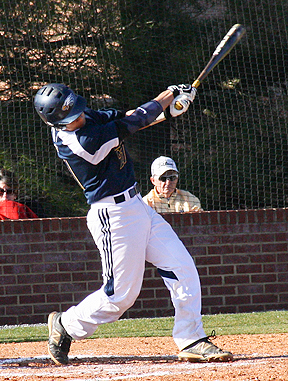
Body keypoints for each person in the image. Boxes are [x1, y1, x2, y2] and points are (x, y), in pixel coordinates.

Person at [33, 82, 232, 365]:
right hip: (112, 216)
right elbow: (132, 123)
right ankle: (67, 324)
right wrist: (169, 95)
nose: (79, 118)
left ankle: (190, 338)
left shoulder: (85, 117)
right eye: (71, 118)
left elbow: (127, 117)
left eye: (77, 111)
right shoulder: (79, 142)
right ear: (56, 122)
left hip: (138, 206)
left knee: (182, 266)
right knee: (120, 297)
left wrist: (169, 111)